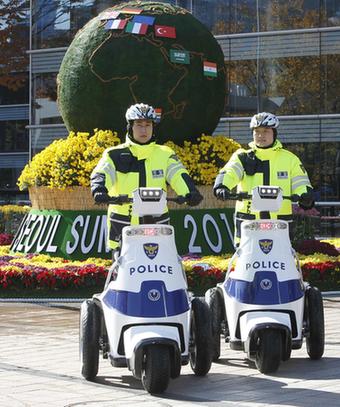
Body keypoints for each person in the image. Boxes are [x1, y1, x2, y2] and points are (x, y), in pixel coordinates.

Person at [91, 103, 203, 254]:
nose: (144, 130)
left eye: (148, 125)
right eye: (138, 125)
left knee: (161, 270)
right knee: (122, 273)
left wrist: (190, 192)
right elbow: (102, 173)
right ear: (130, 127)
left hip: (157, 226)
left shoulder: (165, 154)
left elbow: (178, 174)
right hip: (124, 226)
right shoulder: (113, 154)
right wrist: (99, 190)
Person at [213, 112, 314, 245]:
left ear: (274, 133)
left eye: (266, 131)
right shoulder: (242, 157)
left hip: (279, 224)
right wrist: (222, 186)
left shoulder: (289, 159)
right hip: (249, 222)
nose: (261, 135)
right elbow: (230, 172)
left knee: (281, 261)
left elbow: (300, 182)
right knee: (245, 262)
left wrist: (305, 195)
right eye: (257, 131)